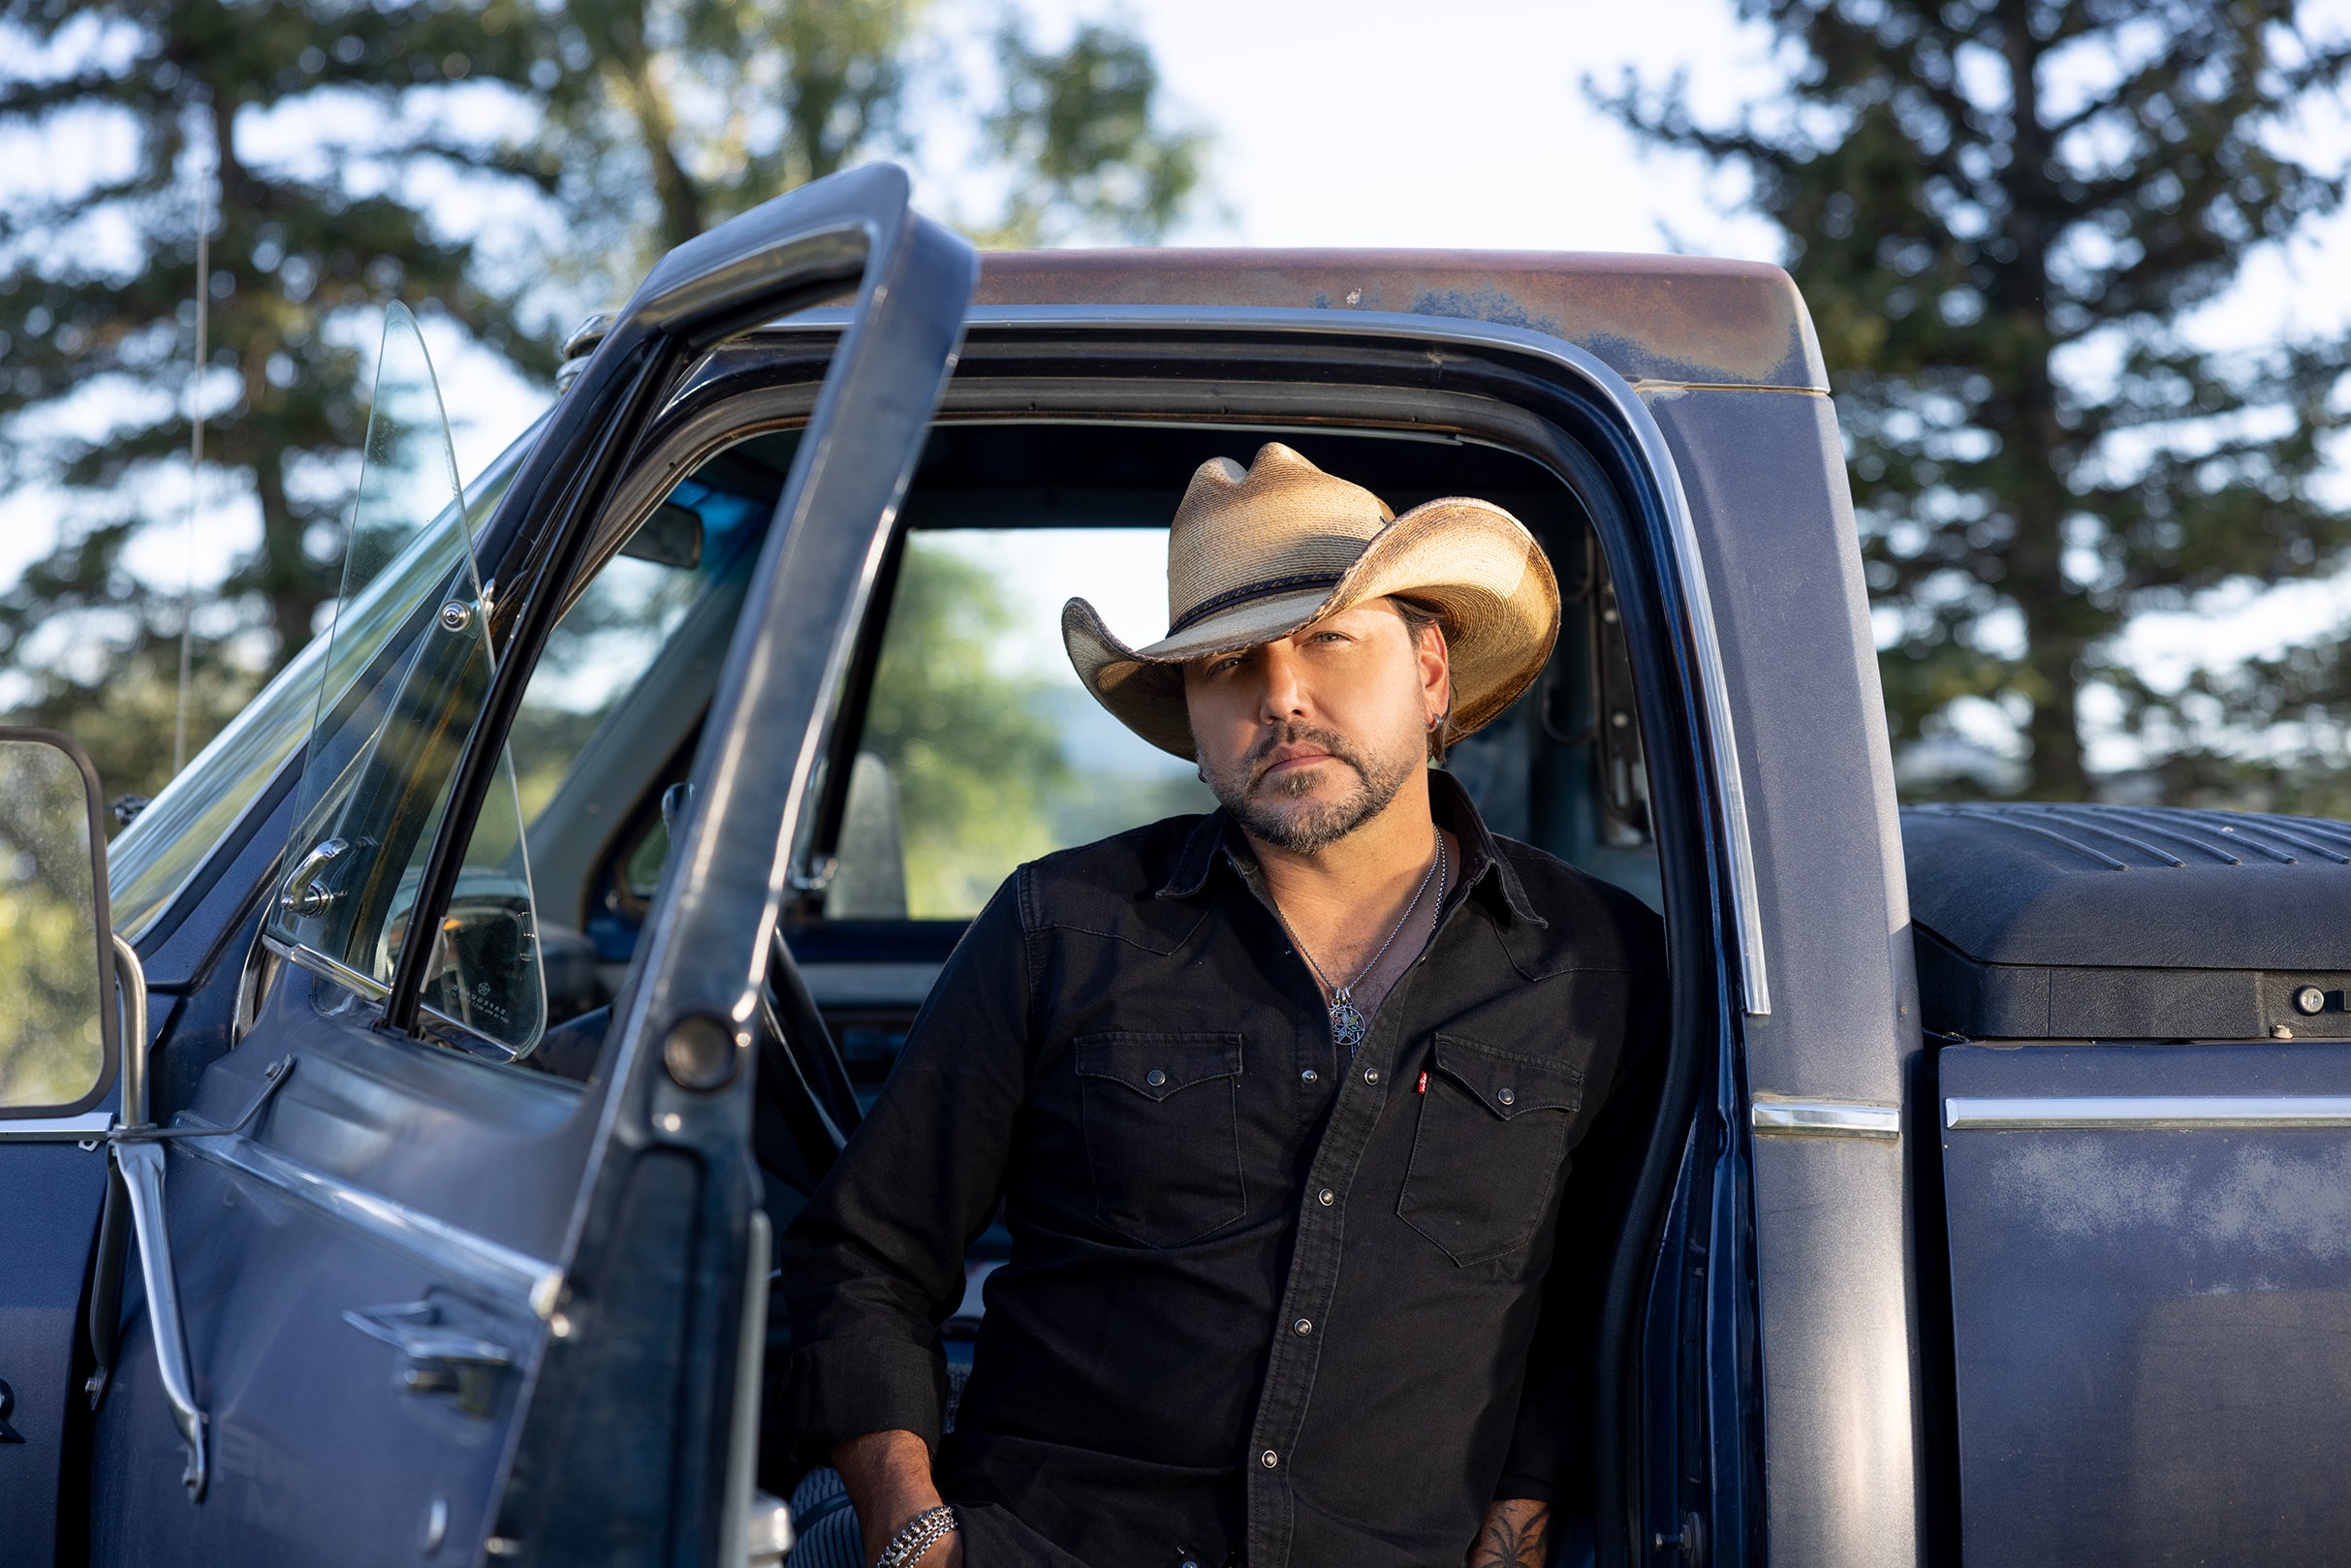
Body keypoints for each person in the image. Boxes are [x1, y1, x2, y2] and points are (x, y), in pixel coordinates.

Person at [778, 443, 1668, 1568]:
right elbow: (864, 1256)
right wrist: (912, 1530)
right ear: (1190, 721)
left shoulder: (1596, 968)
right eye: (1226, 665)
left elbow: (1615, 1291)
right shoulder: (1063, 924)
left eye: (1328, 641)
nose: (1281, 696)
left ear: (1429, 671)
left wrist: (1525, 1503)